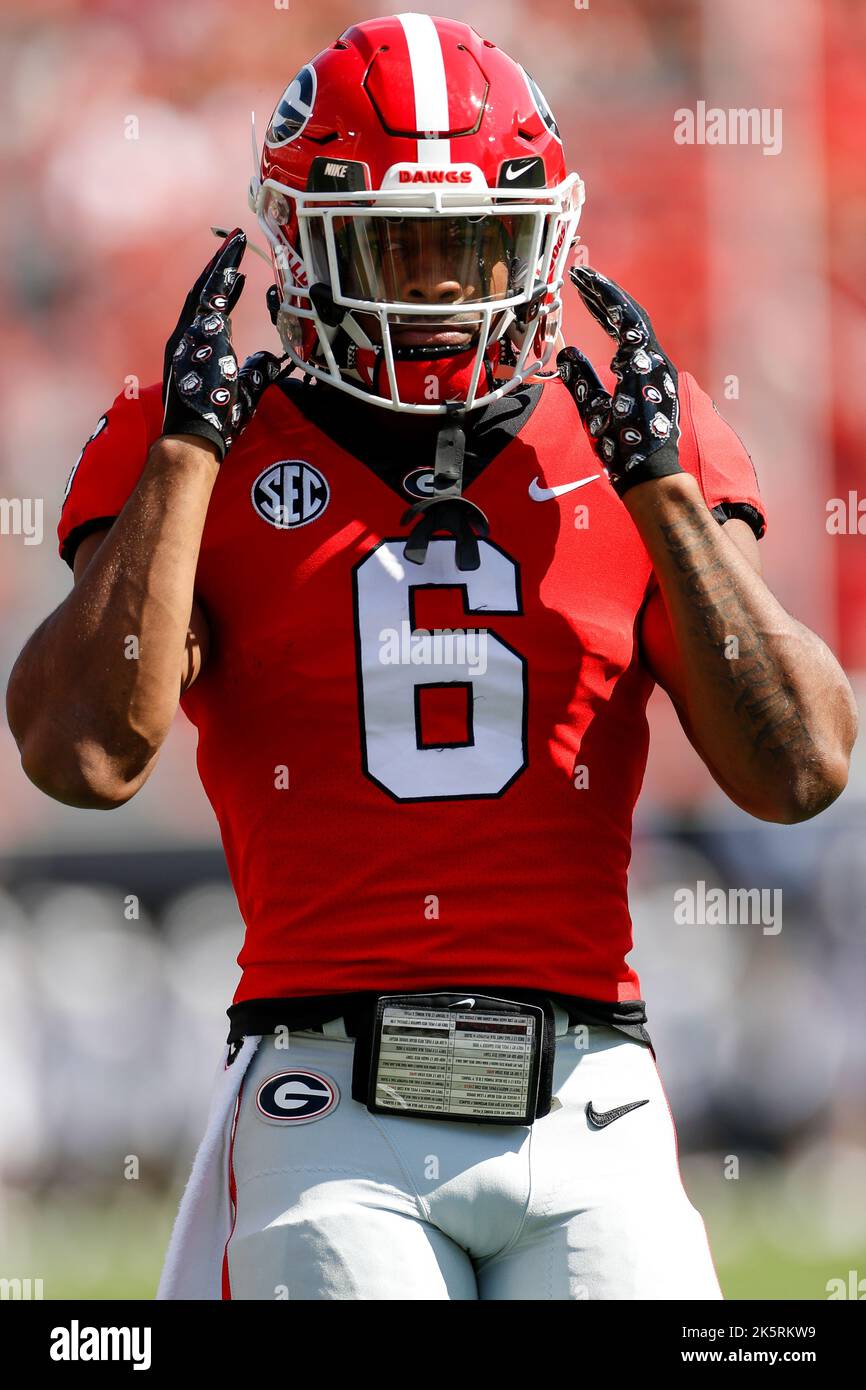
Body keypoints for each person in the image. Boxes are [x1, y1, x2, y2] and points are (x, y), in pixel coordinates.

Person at [6, 12, 857, 1300]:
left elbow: (803, 768)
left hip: (591, 1100)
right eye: (395, 247)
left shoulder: (636, 439)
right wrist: (181, 461)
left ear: (541, 238)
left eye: (471, 245)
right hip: (326, 1096)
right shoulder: (198, 444)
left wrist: (667, 500)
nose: (442, 287)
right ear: (299, 240)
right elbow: (80, 755)